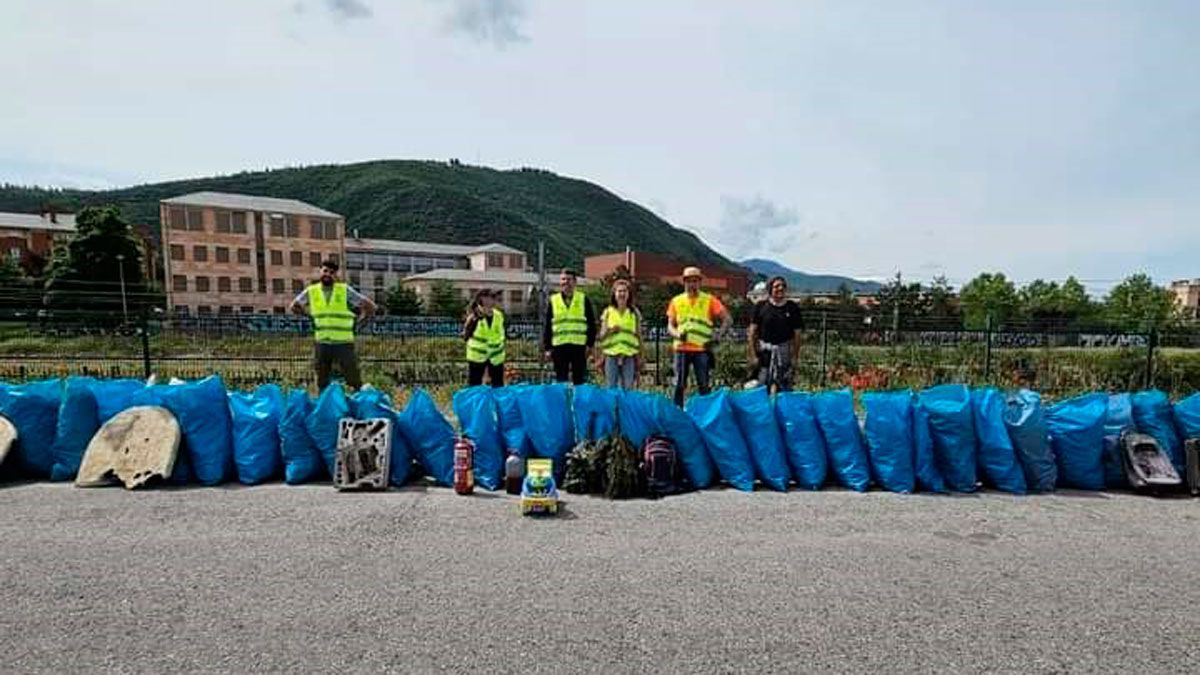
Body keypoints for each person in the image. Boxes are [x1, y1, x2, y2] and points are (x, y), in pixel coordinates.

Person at [289, 259, 376, 391]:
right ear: (320, 272)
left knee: (353, 378)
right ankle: (324, 406)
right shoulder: (312, 291)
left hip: (344, 342)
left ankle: (358, 404)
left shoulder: (344, 290)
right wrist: (309, 315)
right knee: (322, 379)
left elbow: (371, 307)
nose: (328, 274)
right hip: (322, 341)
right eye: (325, 271)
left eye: (332, 272)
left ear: (336, 275)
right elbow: (294, 306)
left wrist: (359, 323)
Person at [667, 266, 732, 406]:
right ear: (684, 282)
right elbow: (670, 326)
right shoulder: (676, 301)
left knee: (704, 385)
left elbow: (727, 319)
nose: (692, 284)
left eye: (695, 280)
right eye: (689, 281)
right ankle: (677, 414)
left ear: (700, 282)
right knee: (679, 384)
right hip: (682, 348)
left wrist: (717, 336)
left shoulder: (709, 300)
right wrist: (677, 334)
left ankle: (706, 415)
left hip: (701, 349)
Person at [748, 276, 802, 393]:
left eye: (783, 286)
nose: (780, 288)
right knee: (761, 382)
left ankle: (780, 409)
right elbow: (752, 332)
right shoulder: (760, 306)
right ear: (770, 289)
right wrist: (753, 355)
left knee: (783, 383)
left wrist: (794, 357)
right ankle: (762, 409)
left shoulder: (792, 308)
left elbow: (797, 334)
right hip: (764, 350)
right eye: (777, 286)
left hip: (784, 350)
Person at [542, 268, 596, 384]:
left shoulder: (583, 299)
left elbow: (591, 323)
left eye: (569, 279)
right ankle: (563, 402)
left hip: (579, 346)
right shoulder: (554, 300)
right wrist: (547, 348)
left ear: (575, 282)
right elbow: (548, 325)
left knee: (579, 380)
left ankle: (578, 402)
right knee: (561, 380)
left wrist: (590, 344)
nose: (566, 282)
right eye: (563, 279)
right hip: (559, 346)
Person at [595, 279, 642, 389]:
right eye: (619, 291)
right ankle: (613, 406)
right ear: (614, 294)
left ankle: (625, 407)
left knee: (628, 387)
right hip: (611, 355)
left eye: (624, 291)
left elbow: (639, 336)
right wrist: (610, 330)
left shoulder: (634, 313)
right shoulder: (608, 312)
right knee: (611, 387)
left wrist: (641, 357)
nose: (622, 294)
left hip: (629, 355)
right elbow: (601, 336)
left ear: (629, 294)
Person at [463, 289, 506, 387]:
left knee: (498, 386)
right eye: (488, 300)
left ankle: (496, 402)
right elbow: (466, 336)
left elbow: (502, 334)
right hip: (477, 357)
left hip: (496, 357)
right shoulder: (473, 317)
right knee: (474, 385)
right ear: (481, 302)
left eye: (492, 300)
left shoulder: (499, 316)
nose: (491, 303)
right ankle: (475, 402)